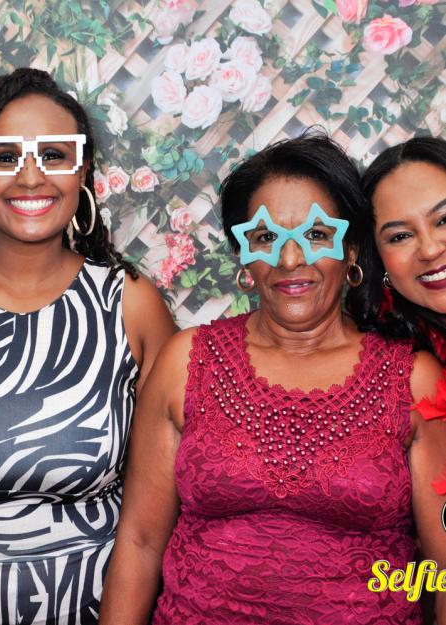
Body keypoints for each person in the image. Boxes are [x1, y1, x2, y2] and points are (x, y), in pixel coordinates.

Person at [99, 134, 446, 625]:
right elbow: (139, 542)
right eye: (265, 238)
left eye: (316, 234)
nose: (289, 259)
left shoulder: (412, 378)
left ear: (352, 249)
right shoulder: (187, 361)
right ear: (243, 254)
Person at [0, 67, 174, 625]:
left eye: (52, 154)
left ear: (82, 170)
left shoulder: (130, 303)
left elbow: (153, 518)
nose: (30, 177)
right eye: (4, 157)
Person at [357, 136, 446, 362]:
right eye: (400, 236)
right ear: (378, 259)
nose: (430, 250)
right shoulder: (393, 370)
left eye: (444, 220)